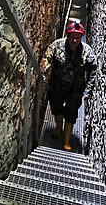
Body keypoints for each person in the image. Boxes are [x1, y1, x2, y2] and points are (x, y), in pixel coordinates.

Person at [40, 22, 97, 151]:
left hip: (75, 88)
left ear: (81, 37)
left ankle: (66, 140)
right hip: (58, 84)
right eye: (72, 37)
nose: (74, 40)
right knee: (56, 107)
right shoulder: (57, 45)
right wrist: (43, 73)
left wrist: (88, 90)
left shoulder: (87, 51)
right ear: (68, 35)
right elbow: (46, 59)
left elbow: (93, 69)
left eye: (78, 37)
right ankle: (58, 128)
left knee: (71, 112)